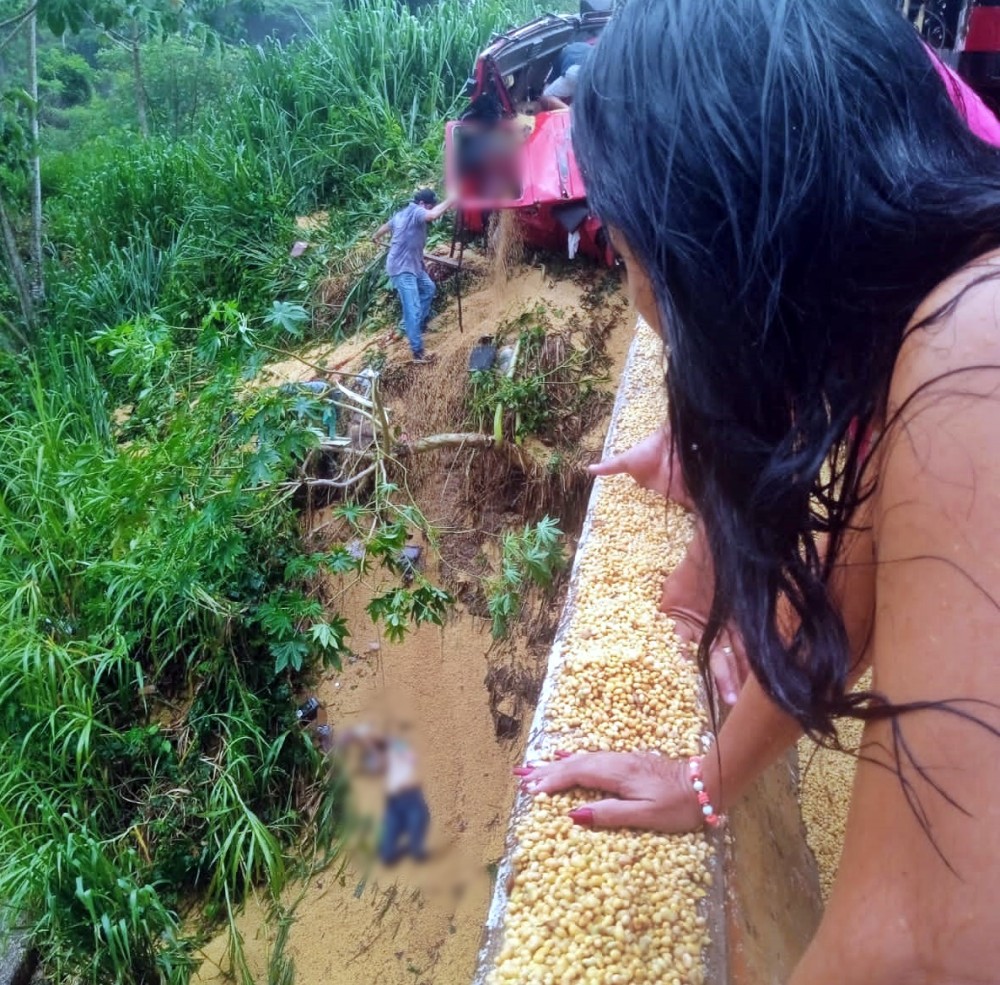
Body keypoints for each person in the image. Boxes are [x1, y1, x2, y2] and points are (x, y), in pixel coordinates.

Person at [518, 1, 1000, 981]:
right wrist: (707, 783)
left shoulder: (971, 348)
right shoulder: (916, 331)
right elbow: (848, 601)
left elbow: (921, 944)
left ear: (718, 250)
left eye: (629, 253)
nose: (636, 297)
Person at [373, 189, 456, 364]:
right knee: (412, 308)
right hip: (402, 269)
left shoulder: (401, 214)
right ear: (422, 204)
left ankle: (416, 325)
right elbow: (432, 215)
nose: (430, 209)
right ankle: (418, 352)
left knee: (428, 288)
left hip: (414, 265)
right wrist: (452, 198)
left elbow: (386, 226)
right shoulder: (417, 211)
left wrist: (376, 236)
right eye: (429, 206)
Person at [338, 722, 430, 865]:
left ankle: (412, 841)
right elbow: (378, 765)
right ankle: (399, 840)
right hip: (395, 801)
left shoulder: (396, 745)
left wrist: (367, 738)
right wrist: (367, 744)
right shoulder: (372, 758)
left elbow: (410, 756)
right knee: (387, 855)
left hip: (411, 797)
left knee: (417, 845)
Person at [540, 41, 593, 111]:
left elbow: (548, 87)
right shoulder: (581, 45)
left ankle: (572, 113)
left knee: (546, 97)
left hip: (577, 72)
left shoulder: (557, 58)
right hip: (596, 74)